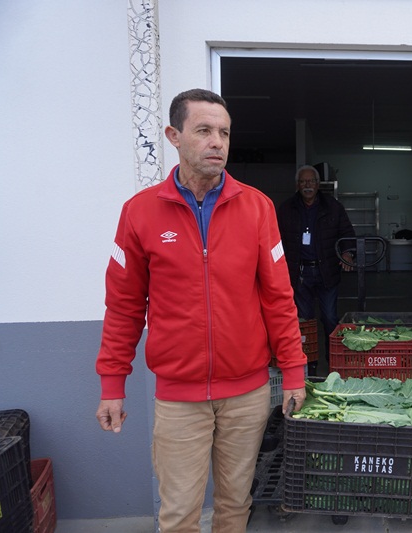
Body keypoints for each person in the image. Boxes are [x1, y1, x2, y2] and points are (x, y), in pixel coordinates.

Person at [95, 88, 307, 533]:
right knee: (178, 516)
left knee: (235, 507)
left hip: (247, 395)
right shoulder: (139, 213)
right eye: (204, 131)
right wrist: (113, 383)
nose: (217, 142)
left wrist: (293, 371)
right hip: (179, 398)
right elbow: (124, 307)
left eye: (224, 133)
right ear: (174, 136)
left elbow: (278, 298)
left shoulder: (257, 208)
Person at [277, 165, 356, 375]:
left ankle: (333, 363)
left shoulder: (333, 207)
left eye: (311, 181)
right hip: (300, 273)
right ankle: (309, 367)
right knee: (305, 322)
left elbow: (347, 232)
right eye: (303, 181)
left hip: (326, 272)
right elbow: (274, 238)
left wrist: (348, 253)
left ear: (318, 184)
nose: (307, 185)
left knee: (330, 318)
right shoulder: (286, 209)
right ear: (297, 185)